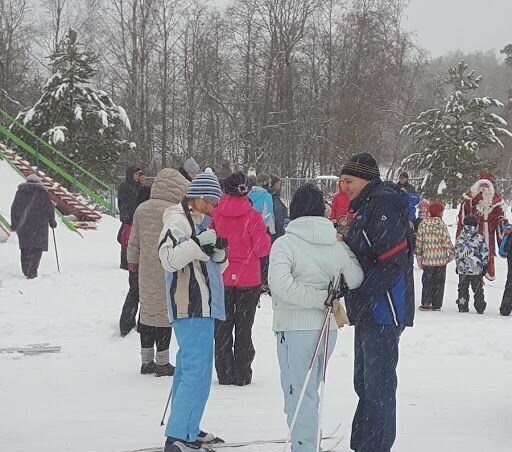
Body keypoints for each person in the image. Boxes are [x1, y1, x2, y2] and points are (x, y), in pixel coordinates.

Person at [269, 183, 363, 452]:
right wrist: (329, 292)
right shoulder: (333, 242)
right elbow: (355, 277)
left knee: (298, 392)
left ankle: (304, 446)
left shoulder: (286, 243)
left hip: (296, 328)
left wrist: (319, 299)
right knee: (309, 391)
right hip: (326, 328)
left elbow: (280, 284)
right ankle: (308, 443)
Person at [339, 152, 415, 452]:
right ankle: (364, 444)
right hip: (369, 309)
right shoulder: (368, 206)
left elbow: (393, 259)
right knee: (365, 383)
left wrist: (363, 292)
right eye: (342, 181)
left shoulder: (381, 205)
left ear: (366, 178)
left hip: (383, 309)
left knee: (378, 385)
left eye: (349, 181)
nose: (344, 187)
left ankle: (375, 446)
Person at [158, 173, 226, 452]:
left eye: (214, 202)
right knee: (197, 371)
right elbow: (168, 259)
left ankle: (187, 426)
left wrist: (219, 256)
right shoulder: (177, 219)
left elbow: (206, 266)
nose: (211, 207)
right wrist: (198, 245)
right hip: (190, 305)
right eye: (208, 200)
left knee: (190, 369)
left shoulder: (198, 222)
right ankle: (178, 436)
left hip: (202, 303)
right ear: (193, 196)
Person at [211, 173, 271, 385]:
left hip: (222, 276)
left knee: (222, 326)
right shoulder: (253, 216)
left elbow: (210, 244)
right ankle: (242, 372)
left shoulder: (216, 215)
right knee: (245, 327)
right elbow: (262, 248)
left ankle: (224, 371)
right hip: (248, 277)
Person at [128, 169, 189, 376]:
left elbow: (133, 240)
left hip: (145, 268)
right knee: (165, 315)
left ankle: (146, 361)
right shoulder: (174, 211)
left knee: (147, 313)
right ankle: (162, 361)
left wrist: (132, 263)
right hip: (168, 267)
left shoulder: (141, 209)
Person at [456, 172, 507, 281]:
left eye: (486, 186)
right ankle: (473, 273)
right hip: (474, 232)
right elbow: (465, 213)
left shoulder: (496, 200)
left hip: (489, 232)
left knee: (488, 252)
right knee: (473, 252)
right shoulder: (471, 197)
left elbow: (499, 217)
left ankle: (487, 270)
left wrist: (501, 221)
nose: (484, 189)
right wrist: (474, 202)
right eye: (482, 185)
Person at [10, 173, 57, 279]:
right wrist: (52, 222)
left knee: (25, 247)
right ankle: (32, 271)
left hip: (23, 226)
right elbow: (49, 209)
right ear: (38, 182)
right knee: (36, 248)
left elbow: (14, 209)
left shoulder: (20, 193)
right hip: (39, 226)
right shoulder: (42, 193)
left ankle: (26, 269)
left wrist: (14, 224)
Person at [415, 201, 455, 311]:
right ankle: (437, 304)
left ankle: (426, 302)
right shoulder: (441, 225)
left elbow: (419, 241)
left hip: (428, 259)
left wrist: (419, 254)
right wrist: (451, 252)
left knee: (427, 281)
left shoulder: (423, 224)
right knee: (439, 282)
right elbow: (446, 240)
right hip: (440, 259)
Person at [455, 214, 489, 314]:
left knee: (462, 288)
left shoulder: (460, 238)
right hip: (476, 268)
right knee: (478, 288)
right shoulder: (479, 238)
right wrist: (485, 264)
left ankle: (462, 304)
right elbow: (484, 252)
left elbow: (457, 252)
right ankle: (480, 305)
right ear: (476, 225)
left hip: (463, 267)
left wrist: (458, 264)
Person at [249, 173, 275, 291]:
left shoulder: (249, 194)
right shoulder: (267, 196)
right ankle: (263, 280)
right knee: (264, 255)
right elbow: (268, 213)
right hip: (262, 229)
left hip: (248, 228)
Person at [118, 165, 141, 270]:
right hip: (128, 219)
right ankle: (125, 262)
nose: (137, 176)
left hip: (136, 218)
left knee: (134, 242)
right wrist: (127, 215)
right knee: (126, 241)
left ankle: (133, 261)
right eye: (136, 174)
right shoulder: (124, 187)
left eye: (138, 174)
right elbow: (123, 203)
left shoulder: (138, 187)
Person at [269, 175, 288, 241]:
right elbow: (277, 214)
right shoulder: (272, 197)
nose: (280, 186)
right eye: (278, 184)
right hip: (276, 231)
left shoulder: (275, 196)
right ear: (272, 184)